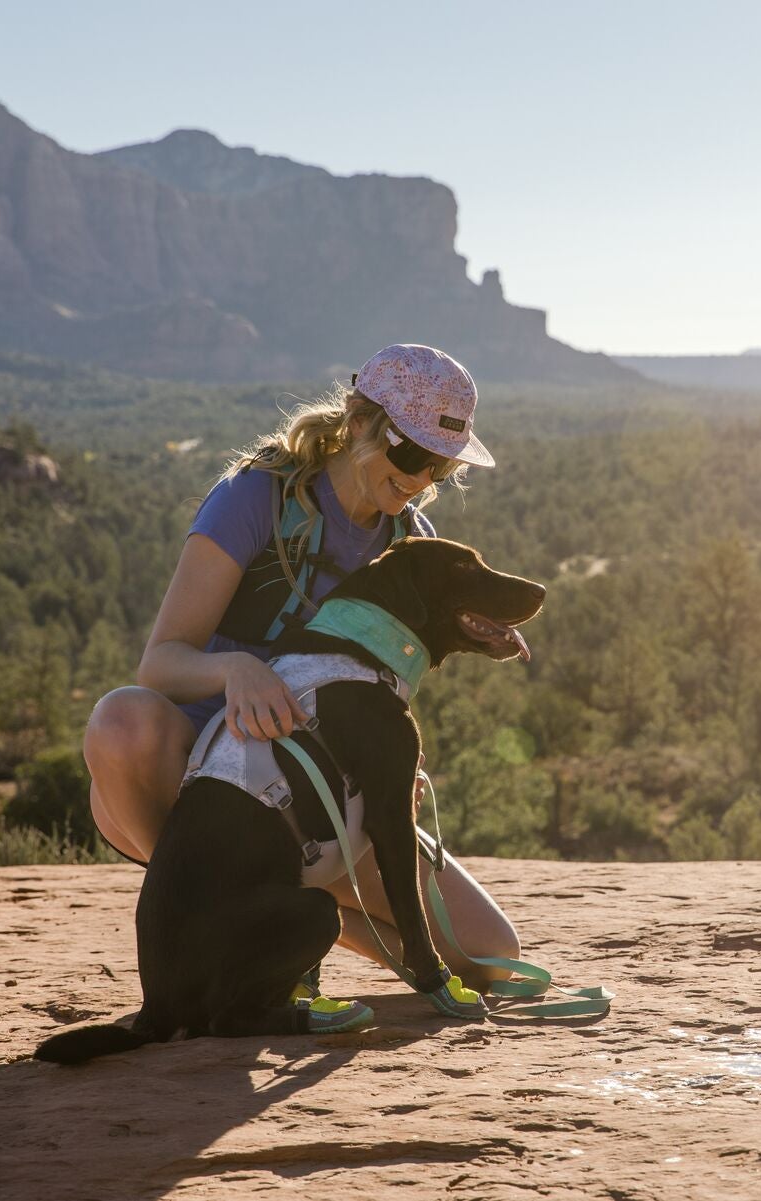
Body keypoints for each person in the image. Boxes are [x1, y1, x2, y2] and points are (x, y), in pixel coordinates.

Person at [83, 343, 521, 1003]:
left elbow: (383, 687)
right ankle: (204, 922)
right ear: (359, 421)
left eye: (441, 464)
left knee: (491, 956)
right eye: (411, 454)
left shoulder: (411, 542)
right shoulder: (256, 496)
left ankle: (291, 928)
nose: (421, 478)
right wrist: (236, 670)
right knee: (121, 720)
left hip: (319, 807)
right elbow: (160, 662)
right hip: (195, 783)